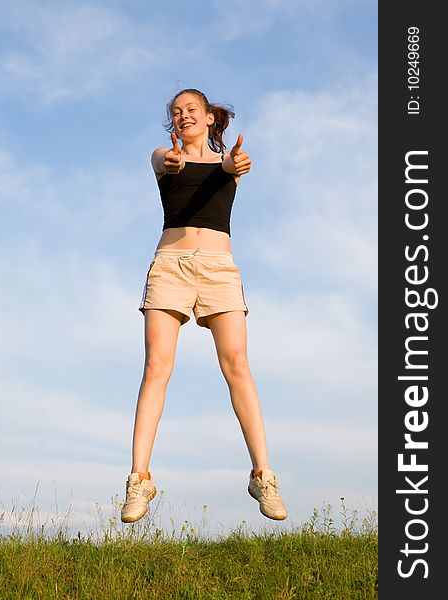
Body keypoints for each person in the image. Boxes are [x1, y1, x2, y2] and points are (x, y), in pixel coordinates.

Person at [121, 88, 287, 523]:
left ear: (210, 117)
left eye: (191, 110)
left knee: (237, 364)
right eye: (175, 112)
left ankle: (263, 477)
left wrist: (235, 164)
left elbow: (234, 165)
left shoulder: (229, 162)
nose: (182, 116)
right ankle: (139, 480)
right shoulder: (164, 156)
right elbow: (163, 161)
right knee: (156, 367)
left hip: (218, 268)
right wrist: (171, 162)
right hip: (169, 266)